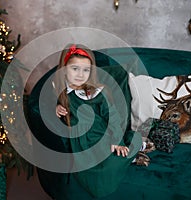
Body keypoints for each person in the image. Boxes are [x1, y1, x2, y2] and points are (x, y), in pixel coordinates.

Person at [52, 43, 135, 198]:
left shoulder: (93, 93)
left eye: (86, 70)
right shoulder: (61, 89)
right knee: (88, 171)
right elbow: (56, 101)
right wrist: (57, 107)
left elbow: (112, 116)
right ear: (64, 70)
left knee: (109, 164)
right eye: (75, 68)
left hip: (101, 134)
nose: (80, 74)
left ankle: (134, 148)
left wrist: (116, 140)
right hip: (82, 140)